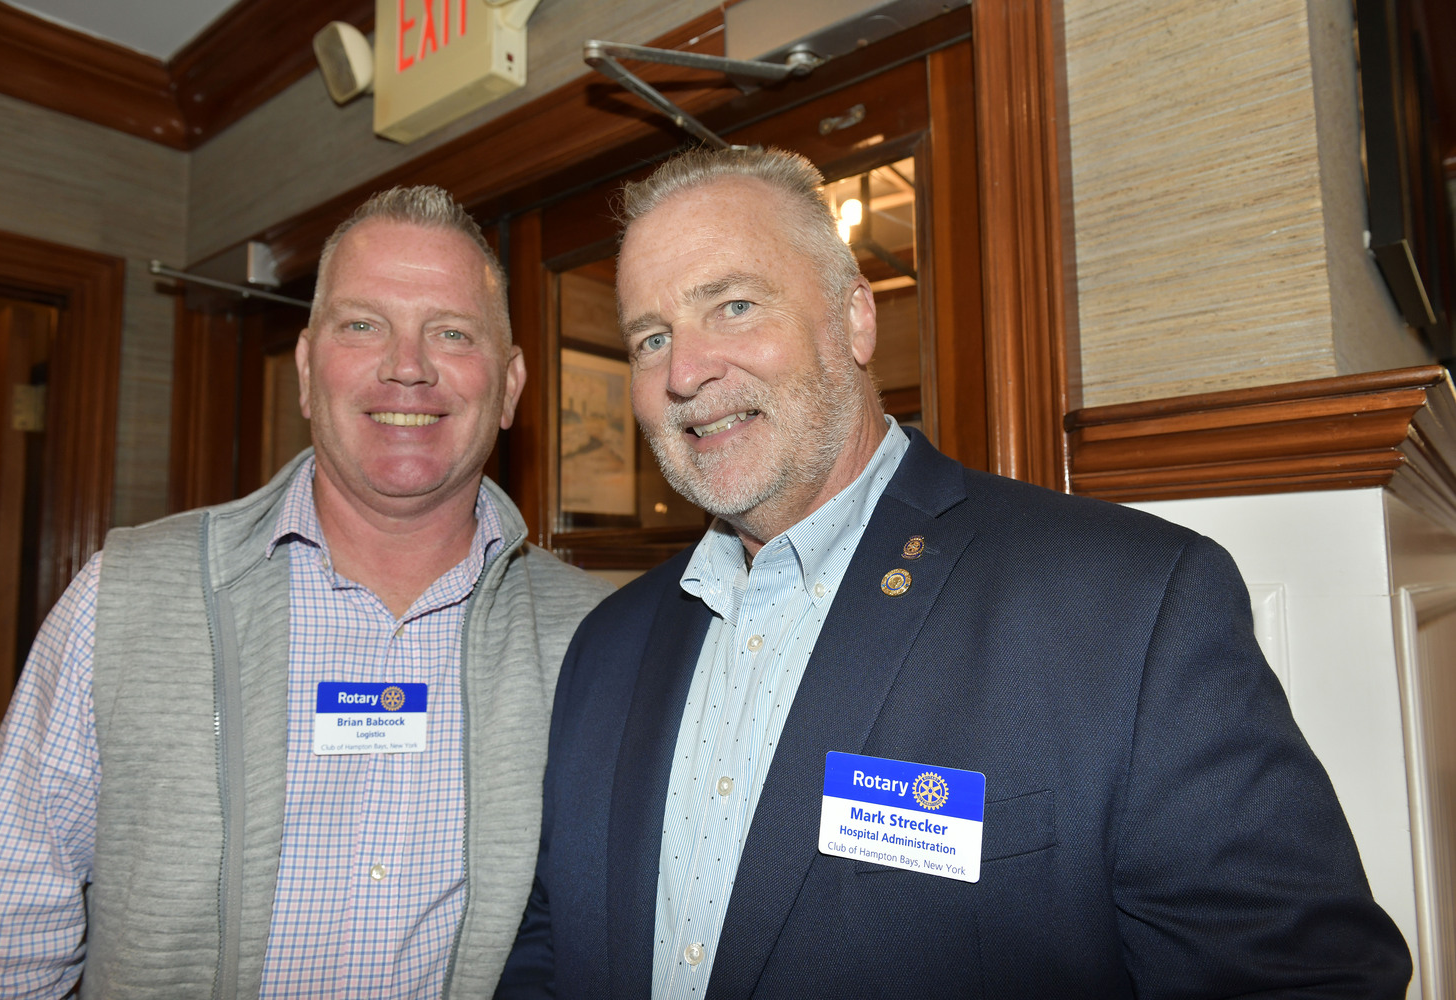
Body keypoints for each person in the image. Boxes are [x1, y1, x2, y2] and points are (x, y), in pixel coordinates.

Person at [496, 148, 1411, 998]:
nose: (686, 369)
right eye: (650, 338)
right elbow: (554, 941)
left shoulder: (1128, 606)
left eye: (734, 305)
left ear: (855, 316)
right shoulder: (606, 646)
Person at [0, 185, 610, 998]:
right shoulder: (125, 597)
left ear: (509, 385)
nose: (407, 365)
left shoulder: (595, 642)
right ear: (307, 370)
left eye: (452, 332)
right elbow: (0, 940)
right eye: (362, 324)